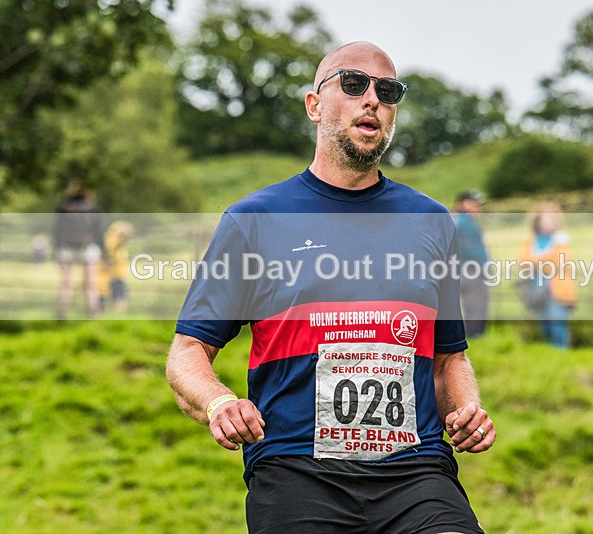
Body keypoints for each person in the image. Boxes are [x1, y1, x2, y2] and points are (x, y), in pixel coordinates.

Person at [166, 42, 493, 534]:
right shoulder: (255, 219)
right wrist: (219, 402)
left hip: (415, 470)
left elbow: (449, 360)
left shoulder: (430, 220)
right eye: (354, 84)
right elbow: (188, 351)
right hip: (296, 468)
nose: (373, 99)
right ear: (314, 105)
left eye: (388, 91)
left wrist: (466, 412)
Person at [516, 202, 578, 348]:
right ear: (538, 221)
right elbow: (523, 262)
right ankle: (553, 355)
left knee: (557, 325)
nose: (551, 221)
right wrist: (545, 261)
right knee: (546, 327)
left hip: (556, 290)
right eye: (547, 218)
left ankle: (562, 354)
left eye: (553, 218)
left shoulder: (561, 242)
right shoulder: (531, 242)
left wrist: (537, 262)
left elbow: (559, 262)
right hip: (537, 291)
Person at [52, 183, 103, 319]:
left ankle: (62, 312)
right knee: (91, 282)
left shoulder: (63, 208)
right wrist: (103, 251)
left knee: (66, 282)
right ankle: (93, 312)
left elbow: (56, 229)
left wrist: (56, 249)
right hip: (88, 247)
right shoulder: (91, 208)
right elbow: (98, 230)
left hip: (65, 248)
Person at [454, 189, 490, 338]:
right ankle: (476, 337)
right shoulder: (465, 223)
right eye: (473, 203)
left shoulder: (463, 221)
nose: (477, 207)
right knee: (476, 308)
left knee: (473, 307)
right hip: (472, 272)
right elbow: (473, 251)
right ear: (463, 204)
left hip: (466, 271)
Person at [98, 221, 134, 313]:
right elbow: (108, 250)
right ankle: (109, 313)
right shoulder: (110, 238)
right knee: (107, 293)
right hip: (108, 271)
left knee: (118, 292)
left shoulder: (117, 240)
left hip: (117, 272)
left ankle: (116, 313)